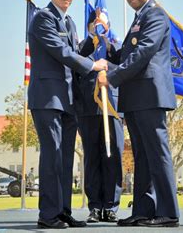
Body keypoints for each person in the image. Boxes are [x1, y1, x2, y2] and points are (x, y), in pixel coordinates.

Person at [98, 0, 180, 228]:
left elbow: (143, 53)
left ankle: (168, 212)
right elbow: (127, 53)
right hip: (135, 97)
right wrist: (107, 49)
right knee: (143, 157)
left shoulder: (155, 14)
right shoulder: (139, 18)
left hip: (150, 96)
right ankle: (143, 211)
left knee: (158, 154)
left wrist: (112, 76)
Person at [28, 0, 108, 229]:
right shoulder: (42, 18)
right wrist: (92, 66)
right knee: (52, 155)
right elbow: (62, 52)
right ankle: (48, 215)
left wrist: (94, 38)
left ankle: (62, 211)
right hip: (48, 99)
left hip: (68, 100)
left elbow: (74, 51)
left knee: (65, 159)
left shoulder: (70, 22)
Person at [75, 13, 125, 223]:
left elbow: (125, 66)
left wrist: (107, 65)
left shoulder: (116, 46)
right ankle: (95, 206)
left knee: (113, 157)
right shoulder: (82, 47)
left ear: (109, 25)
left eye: (103, 23)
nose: (99, 26)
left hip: (112, 107)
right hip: (87, 108)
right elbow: (75, 68)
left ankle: (111, 206)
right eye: (95, 23)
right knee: (92, 159)